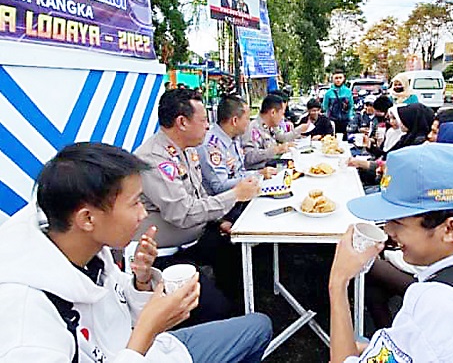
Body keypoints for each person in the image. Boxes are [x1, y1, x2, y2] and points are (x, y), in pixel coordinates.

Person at [0, 142, 272, 363]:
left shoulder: (91, 253)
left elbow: (119, 312)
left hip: (154, 351)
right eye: (134, 204)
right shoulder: (27, 325)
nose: (144, 214)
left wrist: (141, 282)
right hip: (141, 350)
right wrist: (146, 332)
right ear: (87, 219)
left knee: (258, 326)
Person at [329, 143, 453, 362]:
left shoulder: (434, 305)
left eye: (398, 222)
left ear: (450, 229)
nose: (388, 230)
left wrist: (338, 281)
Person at [134, 89, 260, 302]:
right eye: (203, 120)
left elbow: (199, 195)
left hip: (197, 234)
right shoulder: (153, 159)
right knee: (216, 303)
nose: (208, 126)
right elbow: (182, 213)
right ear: (182, 122)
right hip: (167, 253)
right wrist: (235, 195)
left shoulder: (188, 149)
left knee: (242, 254)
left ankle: (241, 303)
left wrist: (219, 220)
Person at [198, 95, 277, 196]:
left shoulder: (234, 138)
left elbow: (239, 173)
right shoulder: (211, 145)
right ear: (234, 121)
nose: (249, 123)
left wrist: (258, 173)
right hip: (226, 206)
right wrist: (257, 175)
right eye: (247, 119)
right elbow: (220, 186)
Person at [242, 94, 292, 170]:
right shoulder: (253, 128)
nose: (282, 118)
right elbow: (248, 157)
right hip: (259, 174)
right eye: (282, 114)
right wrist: (275, 150)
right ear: (273, 112)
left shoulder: (270, 127)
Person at [322, 69, 354, 139]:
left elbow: (351, 106)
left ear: (344, 78)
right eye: (336, 78)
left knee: (345, 141)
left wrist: (350, 118)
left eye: (340, 78)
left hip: (345, 121)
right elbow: (325, 107)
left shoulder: (348, 92)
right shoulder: (328, 93)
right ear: (332, 79)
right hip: (333, 122)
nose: (338, 80)